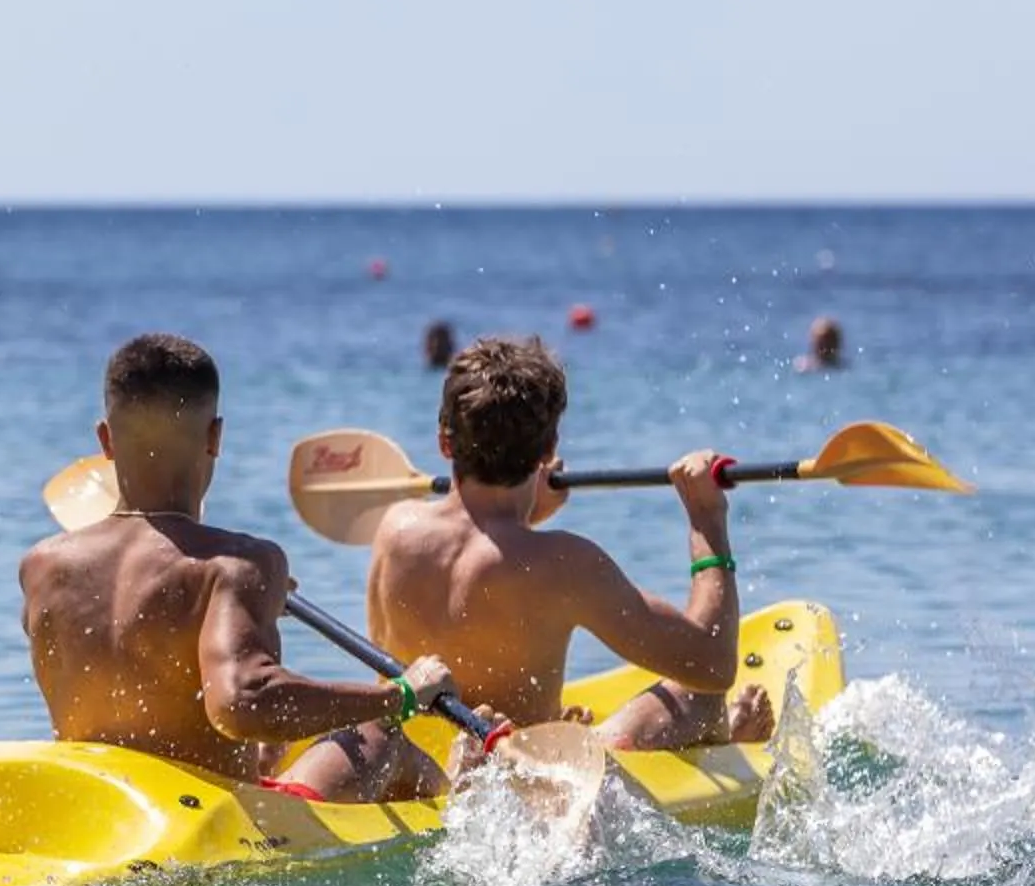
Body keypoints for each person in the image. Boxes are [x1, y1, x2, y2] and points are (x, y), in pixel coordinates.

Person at [286, 335, 768, 797]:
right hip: (516, 774)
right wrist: (707, 521)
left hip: (416, 764)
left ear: (445, 443)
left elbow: (478, 552)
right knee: (698, 696)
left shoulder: (396, 530)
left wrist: (530, 510)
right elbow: (711, 663)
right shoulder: (565, 564)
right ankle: (721, 739)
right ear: (547, 451)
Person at [19, 332, 463, 801]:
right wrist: (403, 695)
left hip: (104, 810)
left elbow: (136, 657)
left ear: (105, 440)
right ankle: (462, 798)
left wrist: (253, 605)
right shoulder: (238, 564)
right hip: (207, 821)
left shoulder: (42, 566)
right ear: (215, 437)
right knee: (381, 732)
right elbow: (242, 702)